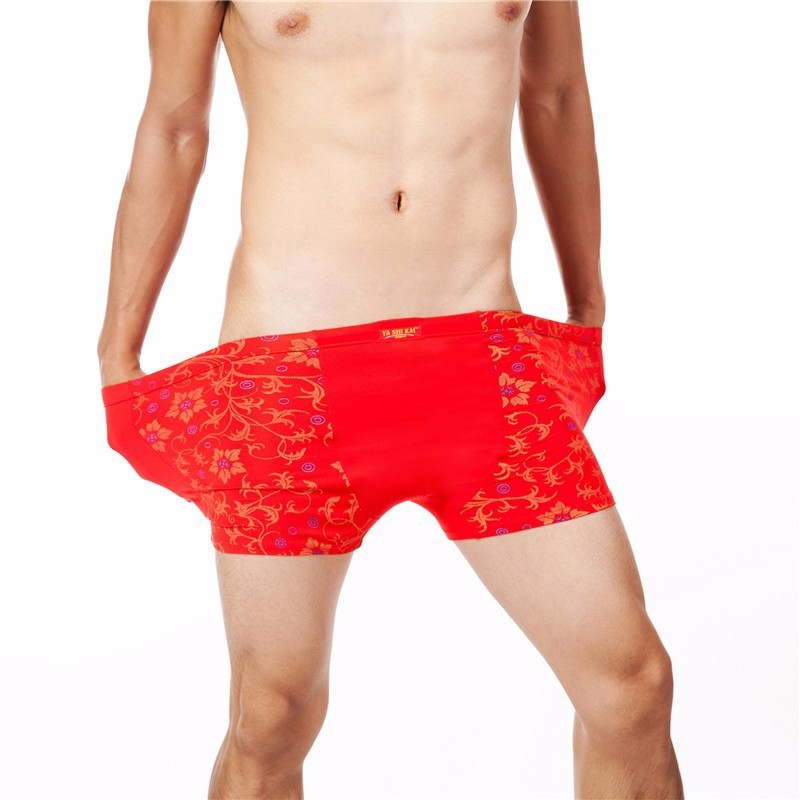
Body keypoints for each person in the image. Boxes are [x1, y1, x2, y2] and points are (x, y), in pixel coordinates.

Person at [97, 1, 684, 797]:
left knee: (633, 686)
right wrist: (118, 346)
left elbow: (555, 94)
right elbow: (174, 128)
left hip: (482, 355)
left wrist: (588, 300)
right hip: (290, 373)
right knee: (271, 718)